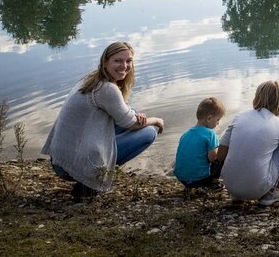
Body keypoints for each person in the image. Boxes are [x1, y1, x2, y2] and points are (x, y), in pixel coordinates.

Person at [41, 41, 165, 201]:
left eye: (129, 61)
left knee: (130, 112)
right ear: (105, 62)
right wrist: (156, 120)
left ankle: (89, 176)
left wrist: (134, 115)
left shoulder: (91, 78)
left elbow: (123, 113)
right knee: (148, 132)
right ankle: (89, 182)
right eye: (118, 61)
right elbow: (131, 124)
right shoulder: (107, 89)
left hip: (60, 159)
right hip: (70, 167)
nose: (124, 66)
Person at [218, 80, 279, 206]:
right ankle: (271, 192)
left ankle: (238, 193)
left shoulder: (239, 117)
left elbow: (221, 154)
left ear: (257, 97)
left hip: (230, 186)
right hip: (257, 189)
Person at [173, 97, 226, 190]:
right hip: (200, 180)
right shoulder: (210, 134)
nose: (218, 123)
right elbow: (213, 158)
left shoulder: (186, 134)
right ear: (209, 118)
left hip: (181, 178)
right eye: (217, 119)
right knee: (222, 155)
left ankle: (188, 185)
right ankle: (213, 182)